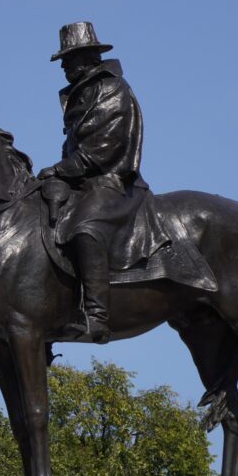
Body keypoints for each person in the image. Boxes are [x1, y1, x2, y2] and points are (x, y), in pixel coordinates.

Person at [39, 21, 168, 343]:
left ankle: (96, 316)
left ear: (89, 57)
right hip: (83, 179)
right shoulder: (81, 94)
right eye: (63, 60)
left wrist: (63, 168)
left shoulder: (111, 89)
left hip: (111, 179)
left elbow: (106, 146)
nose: (65, 66)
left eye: (70, 59)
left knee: (86, 228)